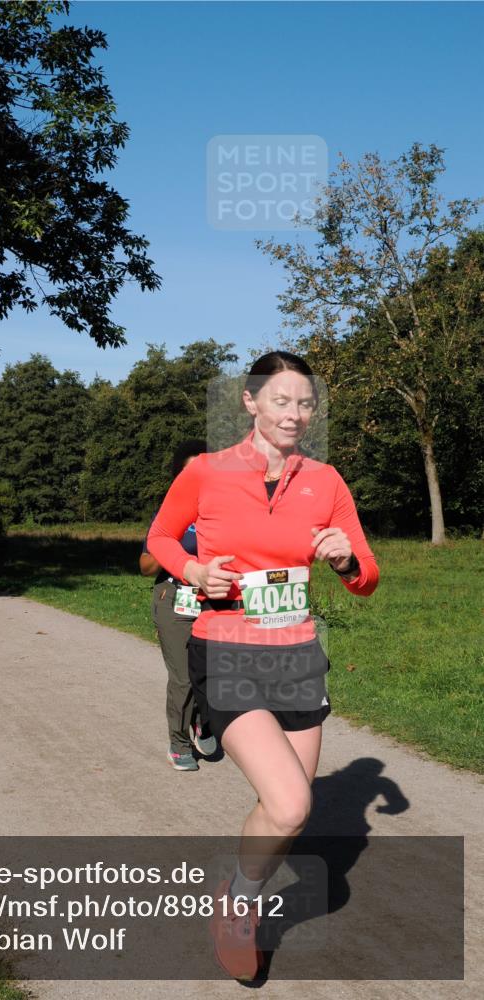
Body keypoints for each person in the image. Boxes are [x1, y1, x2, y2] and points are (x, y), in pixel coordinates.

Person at [146, 351, 379, 980]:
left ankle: (237, 888)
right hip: (227, 647)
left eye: (306, 403)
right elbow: (160, 538)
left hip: (297, 653)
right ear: (250, 402)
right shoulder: (207, 472)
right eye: (282, 400)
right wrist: (193, 569)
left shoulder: (326, 481)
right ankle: (241, 906)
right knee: (291, 805)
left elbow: (367, 576)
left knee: (286, 814)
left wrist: (344, 560)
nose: (295, 414)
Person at [140, 439, 217, 771]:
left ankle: (201, 720)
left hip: (214, 599)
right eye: (189, 472)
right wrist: (167, 551)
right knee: (184, 675)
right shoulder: (169, 513)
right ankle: (179, 742)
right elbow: (144, 567)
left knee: (213, 671)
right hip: (174, 598)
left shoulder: (224, 512)